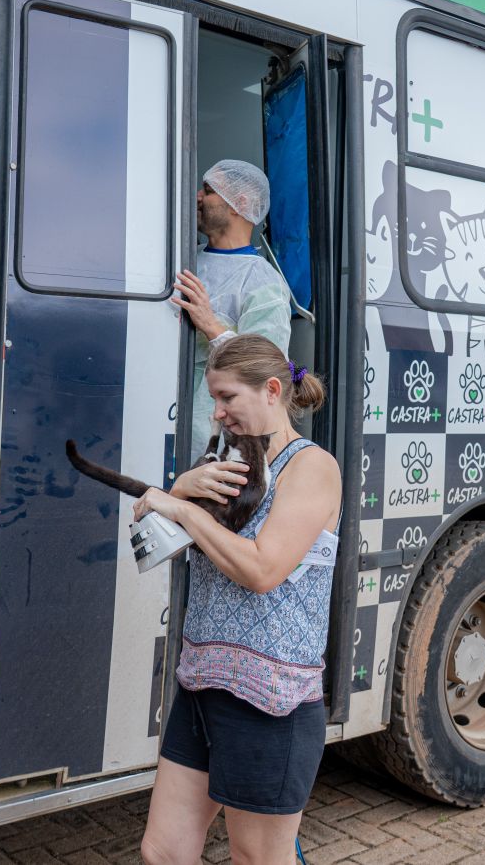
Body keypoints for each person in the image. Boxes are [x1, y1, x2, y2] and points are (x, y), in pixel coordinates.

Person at [134, 334, 341, 865]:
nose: (218, 412)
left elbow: (262, 569)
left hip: (270, 701)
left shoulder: (311, 468)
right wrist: (179, 491)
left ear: (271, 390)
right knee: (162, 852)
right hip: (203, 685)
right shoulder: (226, 462)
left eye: (227, 397)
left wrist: (186, 510)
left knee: (257, 858)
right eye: (214, 399)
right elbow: (158, 547)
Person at [172, 159, 293, 455]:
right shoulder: (182, 258)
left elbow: (263, 367)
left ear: (239, 204)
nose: (197, 197)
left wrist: (210, 325)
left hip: (206, 437)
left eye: (208, 190)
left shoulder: (262, 282)